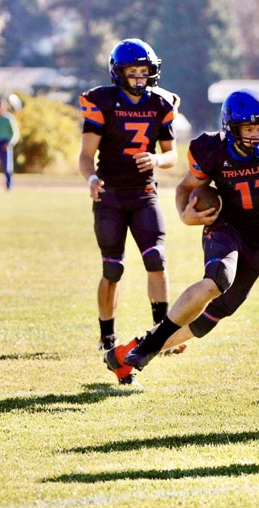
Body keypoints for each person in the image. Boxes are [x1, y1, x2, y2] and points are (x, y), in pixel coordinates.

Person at [103, 88, 259, 385]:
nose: (257, 134)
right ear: (231, 128)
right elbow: (184, 189)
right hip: (225, 227)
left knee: (215, 314)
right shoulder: (211, 150)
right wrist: (184, 214)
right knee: (218, 280)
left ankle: (125, 356)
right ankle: (150, 348)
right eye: (249, 128)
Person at [79, 38, 180, 352]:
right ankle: (106, 334)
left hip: (143, 192)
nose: (139, 77)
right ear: (118, 72)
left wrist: (156, 160)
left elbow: (172, 155)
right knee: (113, 267)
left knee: (156, 259)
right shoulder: (102, 102)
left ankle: (161, 335)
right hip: (109, 194)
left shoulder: (161, 104)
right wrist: (91, 178)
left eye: (144, 71)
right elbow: (85, 155)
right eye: (133, 71)